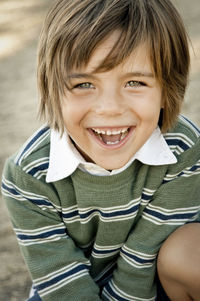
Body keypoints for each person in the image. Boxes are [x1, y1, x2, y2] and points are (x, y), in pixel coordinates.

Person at [2, 0, 200, 300]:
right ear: (53, 90)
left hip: (156, 284)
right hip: (73, 292)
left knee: (189, 254)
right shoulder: (29, 174)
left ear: (165, 89)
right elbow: (61, 280)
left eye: (135, 82)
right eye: (83, 84)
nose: (109, 109)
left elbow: (142, 258)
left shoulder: (183, 147)